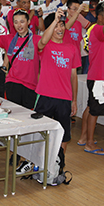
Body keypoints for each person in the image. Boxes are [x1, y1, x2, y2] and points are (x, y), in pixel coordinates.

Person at [34, 9, 80, 161]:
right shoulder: (45, 46)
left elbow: (74, 76)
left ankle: (58, 165)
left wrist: (74, 100)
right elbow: (42, 41)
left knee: (64, 134)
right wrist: (54, 20)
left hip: (64, 98)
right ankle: (38, 162)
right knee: (40, 132)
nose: (60, 29)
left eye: (61, 25)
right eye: (56, 26)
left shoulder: (72, 48)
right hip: (45, 96)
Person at [78, 1, 104, 155]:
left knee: (90, 106)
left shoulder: (96, 30)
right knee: (94, 110)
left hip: (96, 75)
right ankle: (89, 144)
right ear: (100, 17)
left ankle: (83, 138)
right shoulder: (99, 29)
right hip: (99, 78)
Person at [0, 10, 42, 109]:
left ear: (28, 22)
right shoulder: (8, 39)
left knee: (27, 114)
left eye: (22, 21)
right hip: (13, 82)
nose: (19, 25)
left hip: (31, 85)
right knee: (14, 113)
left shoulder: (37, 40)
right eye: (16, 22)